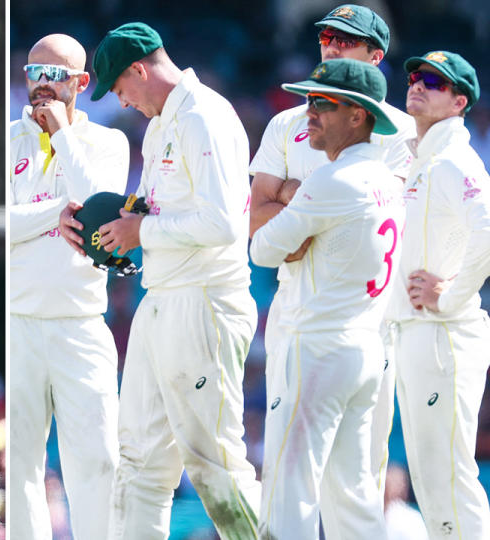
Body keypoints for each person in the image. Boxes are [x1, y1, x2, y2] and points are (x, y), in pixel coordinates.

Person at [61, 22, 261, 539]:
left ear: (139, 69)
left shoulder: (205, 117)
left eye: (120, 89)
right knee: (140, 461)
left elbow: (223, 225)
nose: (122, 102)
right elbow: (153, 212)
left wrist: (140, 227)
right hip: (162, 298)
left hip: (205, 304)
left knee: (214, 465)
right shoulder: (159, 127)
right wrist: (109, 228)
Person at [248, 3, 415, 494]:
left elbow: (373, 223)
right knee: (285, 471)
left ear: (376, 54)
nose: (332, 45)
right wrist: (300, 205)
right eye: (327, 37)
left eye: (346, 39)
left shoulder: (400, 131)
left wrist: (295, 197)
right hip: (292, 309)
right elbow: (256, 224)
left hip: (369, 311)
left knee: (357, 480)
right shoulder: (285, 123)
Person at [6, 33, 128, 539]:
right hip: (18, 322)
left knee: (98, 463)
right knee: (20, 470)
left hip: (80, 321)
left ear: (81, 83)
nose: (42, 84)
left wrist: (61, 134)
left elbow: (96, 204)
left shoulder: (107, 142)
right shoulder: (6, 137)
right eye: (35, 72)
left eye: (56, 75)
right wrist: (53, 217)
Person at [391, 50, 490, 539]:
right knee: (430, 478)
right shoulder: (418, 157)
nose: (417, 85)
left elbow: (488, 228)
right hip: (415, 332)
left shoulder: (455, 160)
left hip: (444, 332)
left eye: (433, 80)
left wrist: (449, 293)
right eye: (414, 76)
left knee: (446, 474)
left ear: (458, 101)